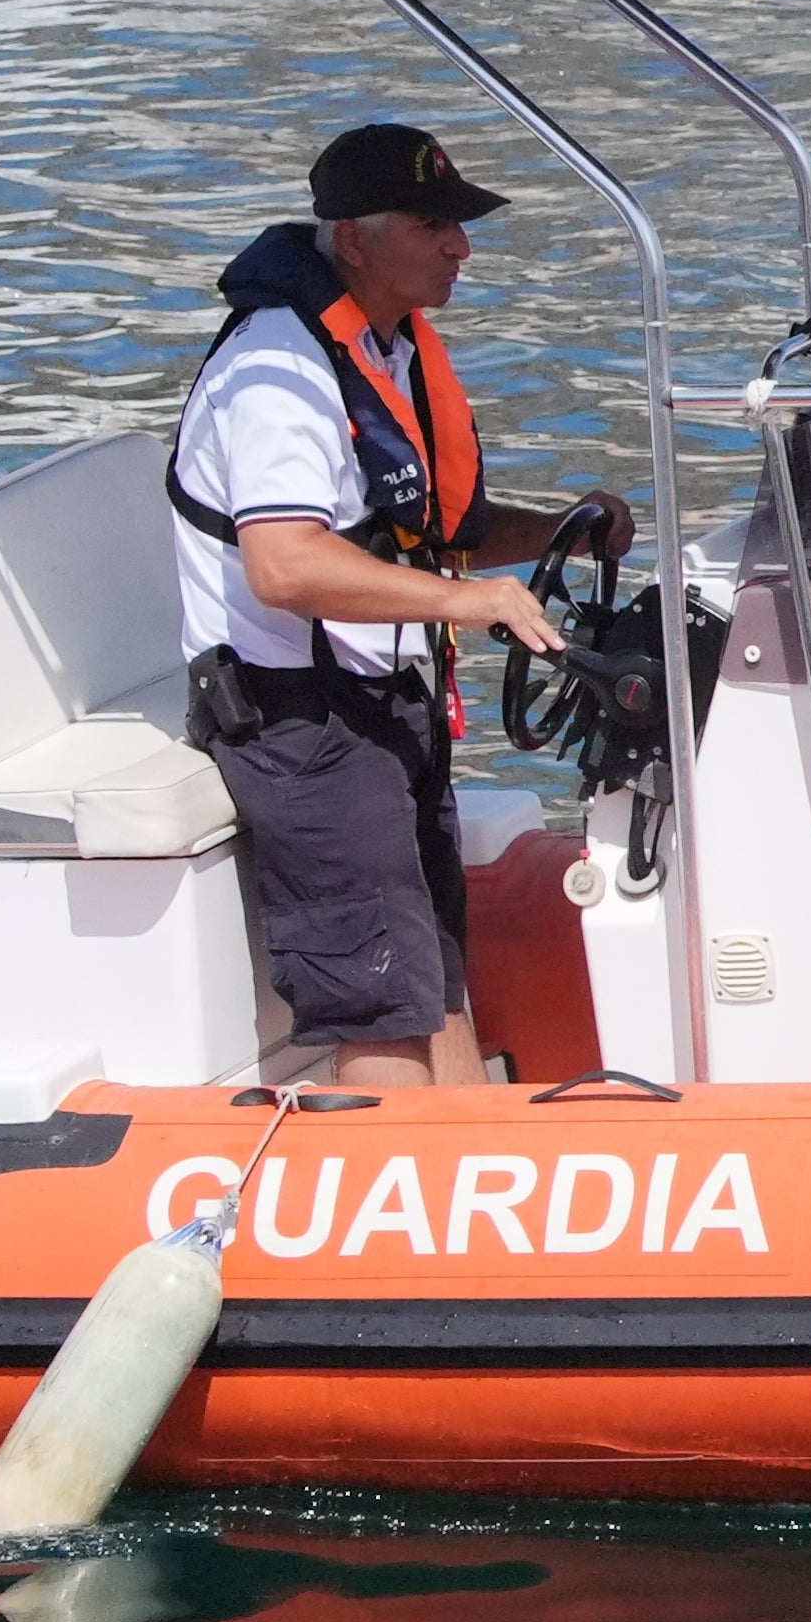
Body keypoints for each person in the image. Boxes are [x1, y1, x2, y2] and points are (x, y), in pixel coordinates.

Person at [165, 123, 633, 1088]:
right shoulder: (279, 369)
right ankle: (398, 1205)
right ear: (355, 241)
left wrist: (558, 530)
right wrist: (471, 602)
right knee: (381, 1006)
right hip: (298, 722)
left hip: (382, 700)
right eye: (436, 225)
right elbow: (286, 566)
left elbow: (423, 524)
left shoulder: (387, 348)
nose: (462, 246)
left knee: (434, 980)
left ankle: (480, 1194)